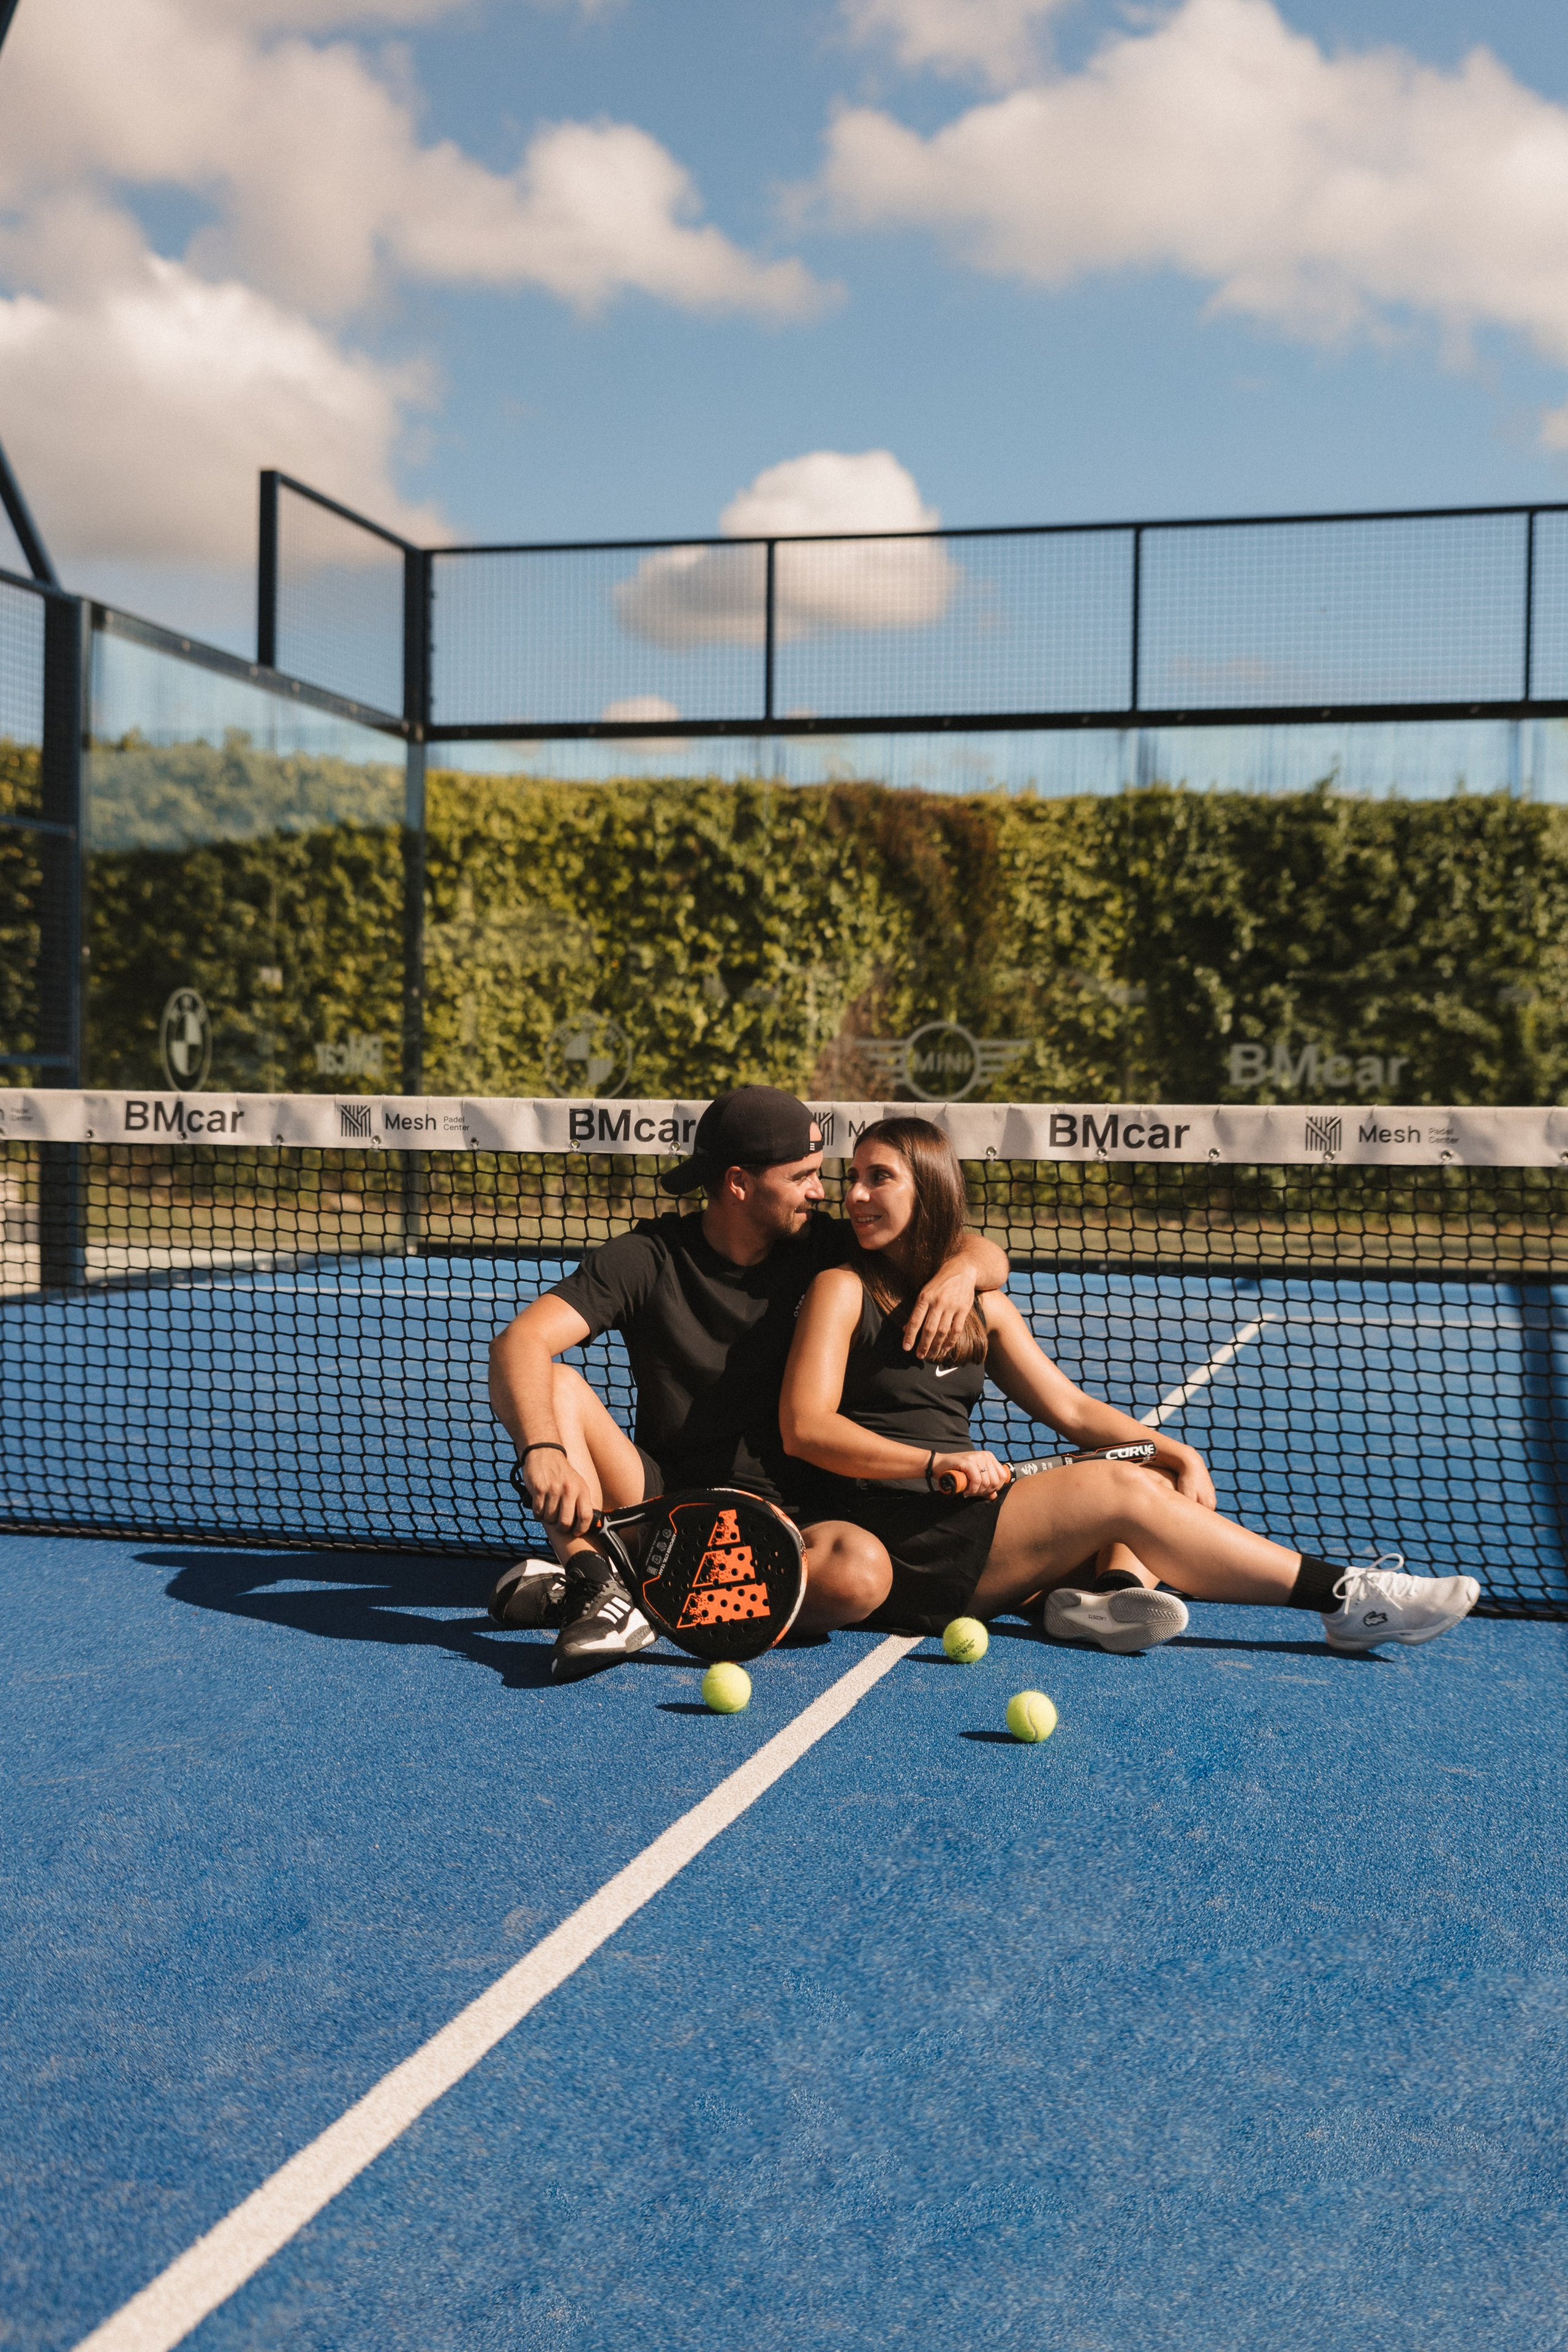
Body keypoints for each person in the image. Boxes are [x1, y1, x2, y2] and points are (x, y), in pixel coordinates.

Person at [779, 1116, 1480, 1655]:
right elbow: (805, 1428)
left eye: (879, 1178)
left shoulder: (984, 1308)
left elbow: (1072, 1409)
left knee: (1147, 1470)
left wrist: (1175, 1450)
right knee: (1117, 1490)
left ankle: (1097, 1599)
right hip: (892, 1526)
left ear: (928, 1188)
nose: (855, 1195)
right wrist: (933, 1465)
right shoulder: (840, 1289)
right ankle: (1345, 1596)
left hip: (961, 1525)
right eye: (854, 1178)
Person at [488, 1088, 1009, 1679]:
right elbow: (518, 1343)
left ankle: (640, 1599)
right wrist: (543, 1450)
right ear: (738, 1183)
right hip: (662, 1504)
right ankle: (593, 1586)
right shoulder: (647, 1257)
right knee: (555, 1389)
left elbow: (967, 1243)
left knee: (863, 1573)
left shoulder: (828, 1247)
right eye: (803, 1176)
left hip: (794, 1519)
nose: (822, 1190)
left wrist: (964, 1271)